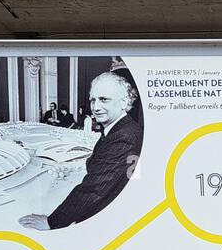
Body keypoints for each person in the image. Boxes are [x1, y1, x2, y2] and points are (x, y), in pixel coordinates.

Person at [19, 71, 143, 230]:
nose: (96, 107)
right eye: (93, 100)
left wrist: (53, 221)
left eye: (104, 99)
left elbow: (94, 190)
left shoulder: (124, 135)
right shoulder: (119, 129)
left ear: (123, 102)